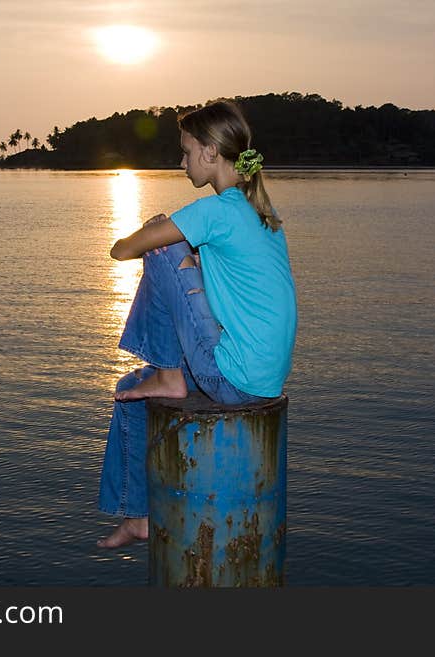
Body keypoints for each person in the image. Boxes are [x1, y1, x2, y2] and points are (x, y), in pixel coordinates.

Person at [96, 100, 297, 548]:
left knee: (163, 249)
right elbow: (214, 287)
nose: (182, 161)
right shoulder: (259, 214)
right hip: (258, 378)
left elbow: (121, 251)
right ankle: (140, 516)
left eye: (186, 152)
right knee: (131, 388)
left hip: (234, 379)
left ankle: (169, 375)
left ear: (210, 152)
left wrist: (157, 229)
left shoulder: (217, 211)